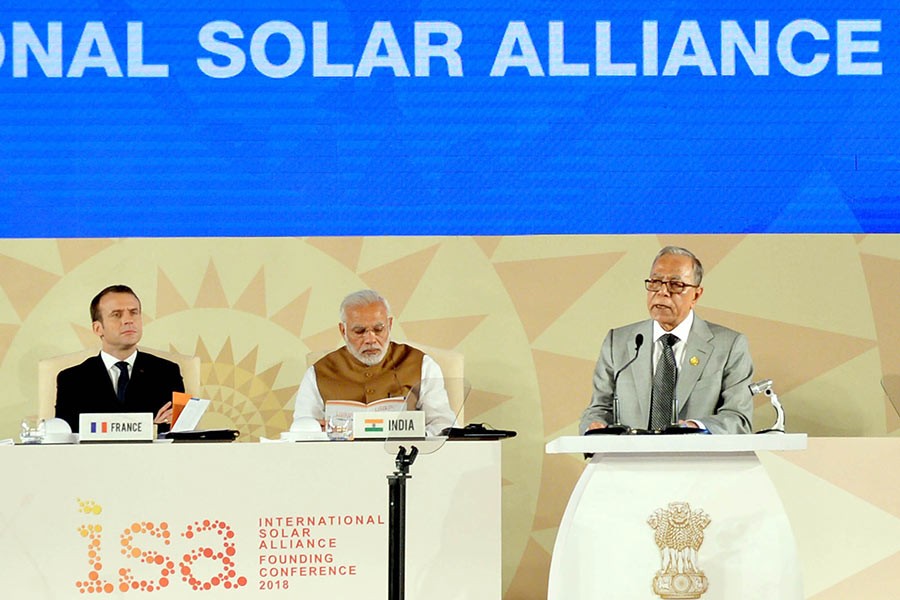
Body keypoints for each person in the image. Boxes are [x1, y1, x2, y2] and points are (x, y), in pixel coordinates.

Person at [580, 246, 754, 435]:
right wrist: (593, 426)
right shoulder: (618, 342)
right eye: (655, 282)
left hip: (697, 461)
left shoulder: (729, 345)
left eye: (675, 285)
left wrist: (697, 428)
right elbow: (598, 409)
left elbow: (738, 419)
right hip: (630, 462)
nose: (662, 292)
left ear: (696, 295)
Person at [292, 289, 456, 436]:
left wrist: (416, 435)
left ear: (390, 325)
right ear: (343, 331)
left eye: (379, 330)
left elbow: (443, 424)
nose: (370, 339)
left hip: (405, 459)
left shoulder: (422, 365)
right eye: (359, 331)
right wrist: (314, 430)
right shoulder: (319, 372)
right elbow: (300, 429)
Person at [55, 285, 184, 433]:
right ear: (98, 328)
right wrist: (150, 425)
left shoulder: (166, 372)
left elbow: (177, 432)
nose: (128, 320)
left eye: (134, 313)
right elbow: (66, 436)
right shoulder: (72, 379)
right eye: (117, 315)